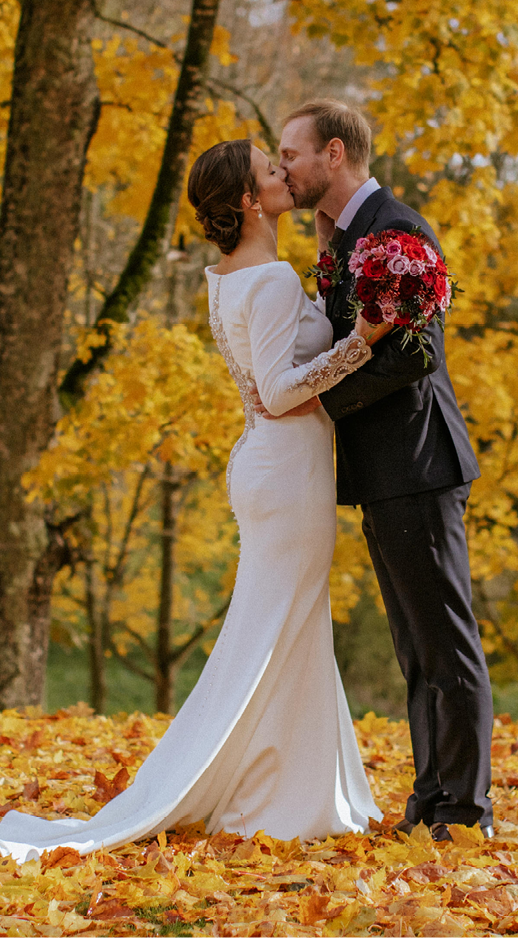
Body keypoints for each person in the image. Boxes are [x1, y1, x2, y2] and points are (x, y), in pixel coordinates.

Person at [0, 140, 384, 862]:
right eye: (269, 171)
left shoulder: (229, 277)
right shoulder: (266, 280)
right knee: (280, 624)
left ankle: (297, 785)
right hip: (286, 466)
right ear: (245, 199)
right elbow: (275, 390)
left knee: (285, 625)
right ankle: (279, 793)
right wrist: (360, 342)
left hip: (272, 466)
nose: (282, 174)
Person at [273, 100, 492, 841]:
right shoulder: (345, 239)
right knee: (415, 648)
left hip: (418, 461)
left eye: (291, 154)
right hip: (384, 469)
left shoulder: (395, 233)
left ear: (334, 154)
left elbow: (414, 353)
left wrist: (320, 400)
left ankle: (465, 811)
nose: (283, 168)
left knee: (445, 645)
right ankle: (430, 798)